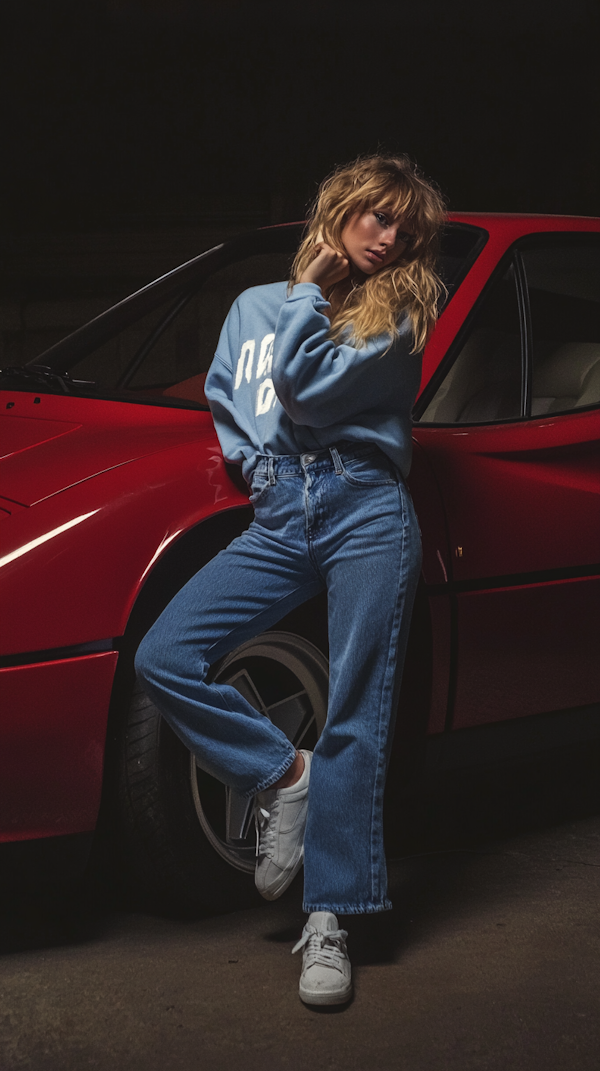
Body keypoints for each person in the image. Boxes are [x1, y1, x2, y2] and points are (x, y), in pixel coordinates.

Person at [135, 154, 446, 1006]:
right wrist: (254, 466)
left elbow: (303, 393)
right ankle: (281, 774)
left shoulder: (401, 313)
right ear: (341, 207)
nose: (389, 238)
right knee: (165, 654)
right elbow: (228, 392)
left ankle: (331, 921)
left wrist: (309, 288)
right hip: (281, 509)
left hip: (366, 508)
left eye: (404, 229)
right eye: (377, 217)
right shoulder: (249, 308)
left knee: (355, 710)